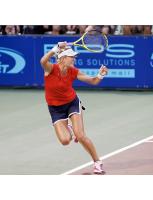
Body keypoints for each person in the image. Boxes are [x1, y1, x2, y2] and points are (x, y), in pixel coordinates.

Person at [40, 41, 108, 174]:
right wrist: (56, 48)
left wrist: (101, 74)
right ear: (63, 58)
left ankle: (97, 162)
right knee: (65, 141)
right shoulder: (50, 69)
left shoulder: (73, 71)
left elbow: (93, 81)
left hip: (72, 103)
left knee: (80, 135)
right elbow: (43, 61)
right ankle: (69, 129)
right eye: (71, 56)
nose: (74, 59)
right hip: (55, 109)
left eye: (74, 57)